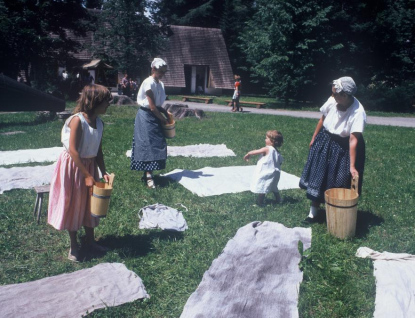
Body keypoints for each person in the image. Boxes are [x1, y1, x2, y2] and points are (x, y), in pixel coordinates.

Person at [48, 84, 112, 262]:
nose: (109, 104)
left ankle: (90, 241)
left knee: (90, 204)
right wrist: (86, 175)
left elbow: (98, 150)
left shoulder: (99, 122)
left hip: (89, 166)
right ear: (95, 101)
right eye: (107, 101)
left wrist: (103, 172)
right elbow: (74, 151)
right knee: (74, 203)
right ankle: (74, 245)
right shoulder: (77, 120)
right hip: (74, 167)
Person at [299, 76, 366, 223]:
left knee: (340, 179)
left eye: (335, 93)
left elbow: (354, 139)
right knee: (319, 174)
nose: (332, 95)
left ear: (345, 95)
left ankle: (337, 215)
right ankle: (313, 213)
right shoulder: (333, 100)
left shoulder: (358, 112)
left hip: (345, 146)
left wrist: (352, 166)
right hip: (326, 139)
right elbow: (322, 119)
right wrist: (314, 137)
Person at [131, 58, 169, 189]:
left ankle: (149, 173)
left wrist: (165, 112)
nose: (162, 74)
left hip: (155, 115)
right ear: (153, 69)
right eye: (160, 71)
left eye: (164, 72)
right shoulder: (148, 83)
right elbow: (152, 106)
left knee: (157, 143)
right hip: (146, 116)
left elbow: (157, 105)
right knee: (148, 145)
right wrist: (163, 119)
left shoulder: (160, 84)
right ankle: (148, 176)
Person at [244, 130, 284, 206]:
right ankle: (279, 199)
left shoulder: (267, 149)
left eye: (266, 138)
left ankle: (260, 202)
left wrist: (249, 154)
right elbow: (280, 161)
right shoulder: (277, 151)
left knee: (263, 186)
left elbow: (256, 151)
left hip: (266, 173)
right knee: (274, 187)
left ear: (272, 141)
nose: (265, 140)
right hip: (275, 173)